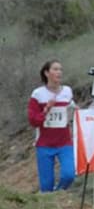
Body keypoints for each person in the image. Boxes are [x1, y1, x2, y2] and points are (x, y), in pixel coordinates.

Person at [27, 60, 76, 193]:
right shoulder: (37, 94)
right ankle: (48, 203)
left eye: (60, 69)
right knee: (46, 186)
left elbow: (72, 113)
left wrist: (75, 112)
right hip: (44, 145)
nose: (59, 72)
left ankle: (56, 195)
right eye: (55, 69)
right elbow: (33, 121)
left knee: (69, 175)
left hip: (65, 142)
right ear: (46, 73)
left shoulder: (67, 91)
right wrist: (47, 108)